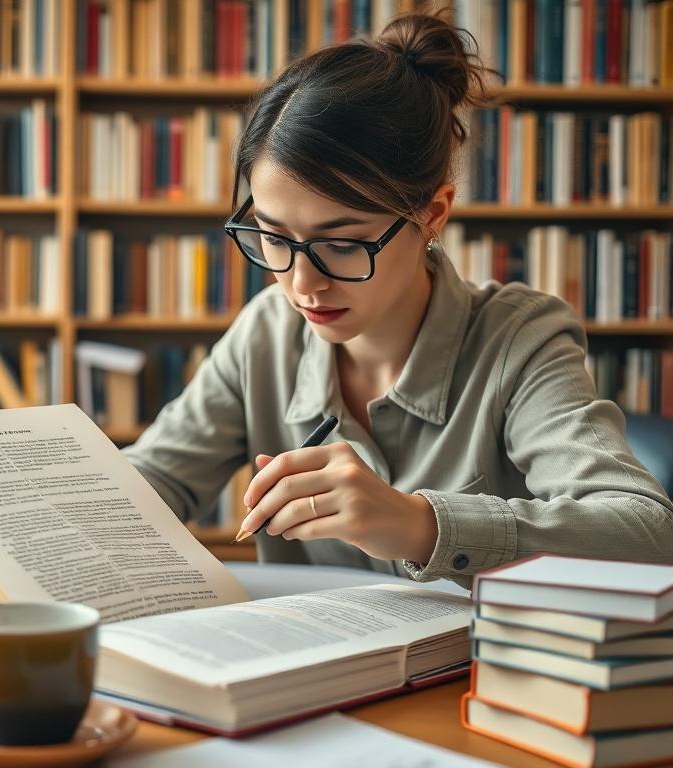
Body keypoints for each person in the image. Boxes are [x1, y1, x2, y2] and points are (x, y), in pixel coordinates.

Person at [121, 12, 673, 589]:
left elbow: (648, 534)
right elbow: (152, 478)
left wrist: (421, 525)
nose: (303, 284)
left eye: (342, 244)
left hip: (475, 679)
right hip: (305, 671)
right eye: (273, 235)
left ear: (432, 214)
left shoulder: (519, 340)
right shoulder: (266, 334)